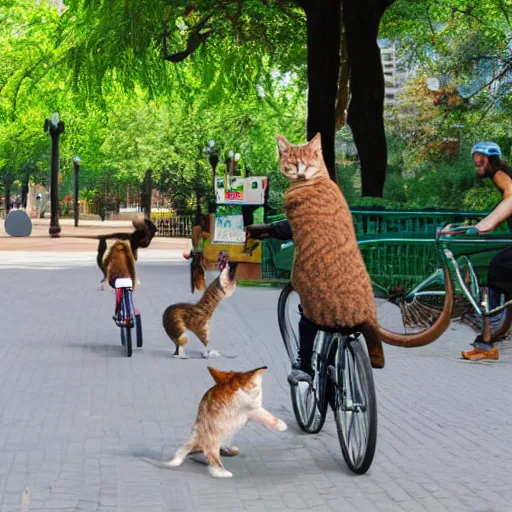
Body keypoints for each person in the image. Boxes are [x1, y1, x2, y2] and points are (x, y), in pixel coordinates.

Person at [246, 219, 319, 377]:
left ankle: (305, 364)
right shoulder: (339, 208)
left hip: (320, 272)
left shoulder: (309, 209)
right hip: (352, 274)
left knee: (310, 312)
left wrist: (270, 229)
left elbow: (295, 223)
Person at [462, 141, 512, 361]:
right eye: (475, 159)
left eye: (481, 159)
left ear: (493, 160)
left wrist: (488, 222)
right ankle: (486, 342)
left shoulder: (500, 174)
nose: (477, 162)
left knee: (495, 269)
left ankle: (487, 341)